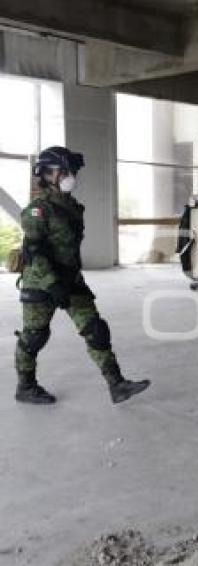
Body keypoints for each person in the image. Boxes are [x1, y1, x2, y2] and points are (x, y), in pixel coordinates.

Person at [14, 146, 150, 405]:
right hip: (41, 282)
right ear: (46, 174)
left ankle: (117, 385)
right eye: (63, 171)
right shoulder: (37, 210)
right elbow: (34, 251)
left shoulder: (74, 207)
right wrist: (53, 286)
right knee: (34, 337)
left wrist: (69, 282)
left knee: (96, 330)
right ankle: (26, 386)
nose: (69, 176)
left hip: (71, 281)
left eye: (71, 171)